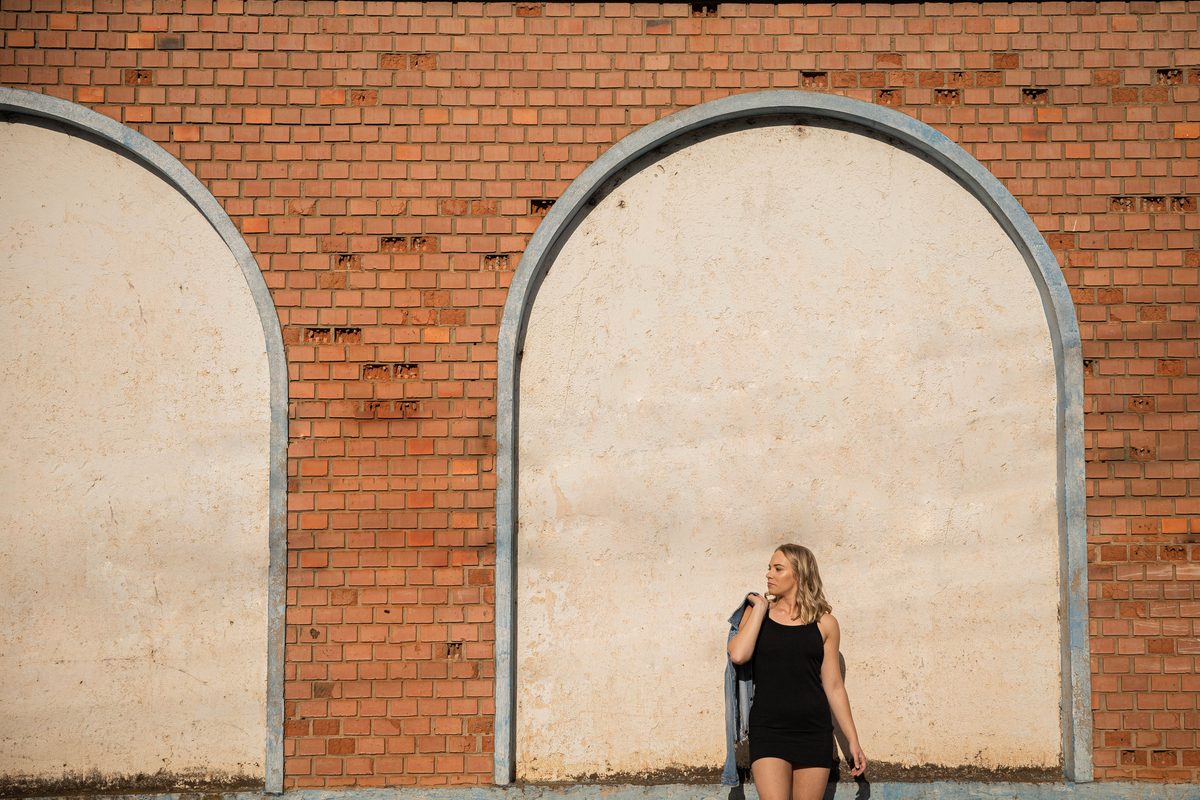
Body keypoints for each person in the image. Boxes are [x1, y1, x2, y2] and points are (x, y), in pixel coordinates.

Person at [726, 544, 866, 800]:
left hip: (813, 730)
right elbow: (738, 654)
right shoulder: (756, 613)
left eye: (778, 569)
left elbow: (834, 686)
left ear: (800, 574)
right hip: (768, 729)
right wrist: (760, 609)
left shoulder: (825, 624)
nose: (769, 574)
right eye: (769, 568)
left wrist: (852, 741)